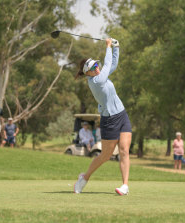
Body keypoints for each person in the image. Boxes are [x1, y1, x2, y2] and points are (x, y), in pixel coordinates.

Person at [74, 38, 132, 195]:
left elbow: (112, 65)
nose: (97, 68)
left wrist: (116, 47)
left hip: (122, 115)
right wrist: (108, 46)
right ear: (87, 72)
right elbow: (107, 66)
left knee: (124, 150)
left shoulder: (101, 75)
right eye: (93, 67)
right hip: (109, 120)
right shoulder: (96, 81)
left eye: (96, 65)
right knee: (106, 155)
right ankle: (84, 178)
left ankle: (125, 186)